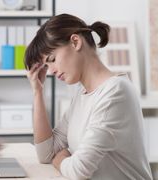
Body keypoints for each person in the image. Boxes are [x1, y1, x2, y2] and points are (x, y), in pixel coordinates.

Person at [25, 13, 152, 180]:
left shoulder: (115, 92)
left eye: (53, 59)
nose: (52, 70)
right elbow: (46, 154)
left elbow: (79, 171)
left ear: (76, 42)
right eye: (47, 66)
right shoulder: (82, 93)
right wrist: (38, 92)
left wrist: (61, 159)